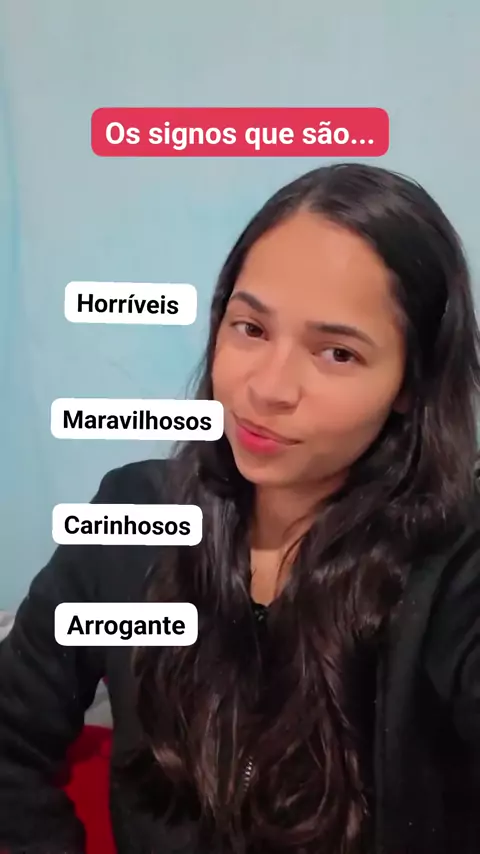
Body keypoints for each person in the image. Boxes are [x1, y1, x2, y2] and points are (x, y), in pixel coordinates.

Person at [1, 163, 480, 854]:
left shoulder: (453, 569)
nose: (269, 387)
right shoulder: (133, 516)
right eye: (250, 328)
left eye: (337, 352)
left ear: (411, 383)